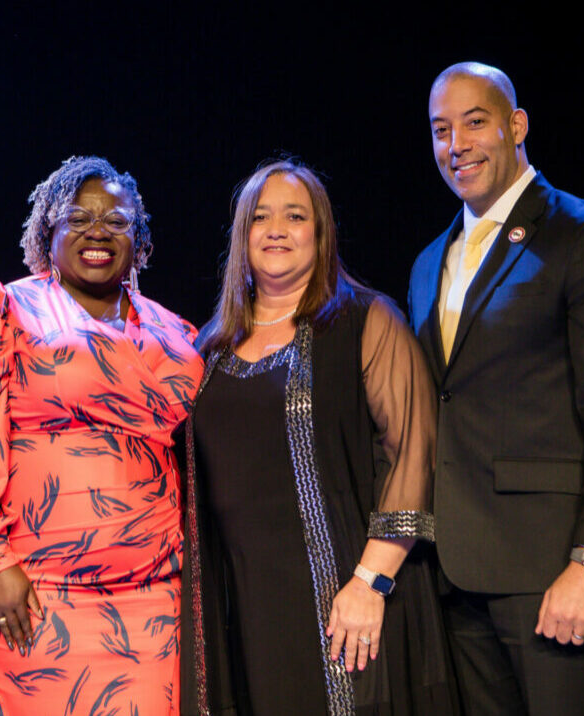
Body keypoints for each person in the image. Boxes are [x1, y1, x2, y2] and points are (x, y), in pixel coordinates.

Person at [408, 62, 584, 716]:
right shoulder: (428, 262)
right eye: (441, 130)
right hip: (457, 576)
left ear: (515, 125)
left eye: (474, 122)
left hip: (554, 572)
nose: (456, 144)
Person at [182, 159, 459, 715]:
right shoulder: (209, 349)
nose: (277, 229)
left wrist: (370, 583)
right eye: (261, 217)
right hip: (246, 610)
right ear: (242, 236)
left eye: (295, 216)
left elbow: (415, 452)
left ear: (321, 231)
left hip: (348, 603)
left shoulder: (363, 320)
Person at [0, 156, 204, 714]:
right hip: (33, 590)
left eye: (117, 221)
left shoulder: (175, 330)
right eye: (77, 219)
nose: (98, 232)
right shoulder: (5, 308)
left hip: (153, 593)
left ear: (140, 238)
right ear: (47, 235)